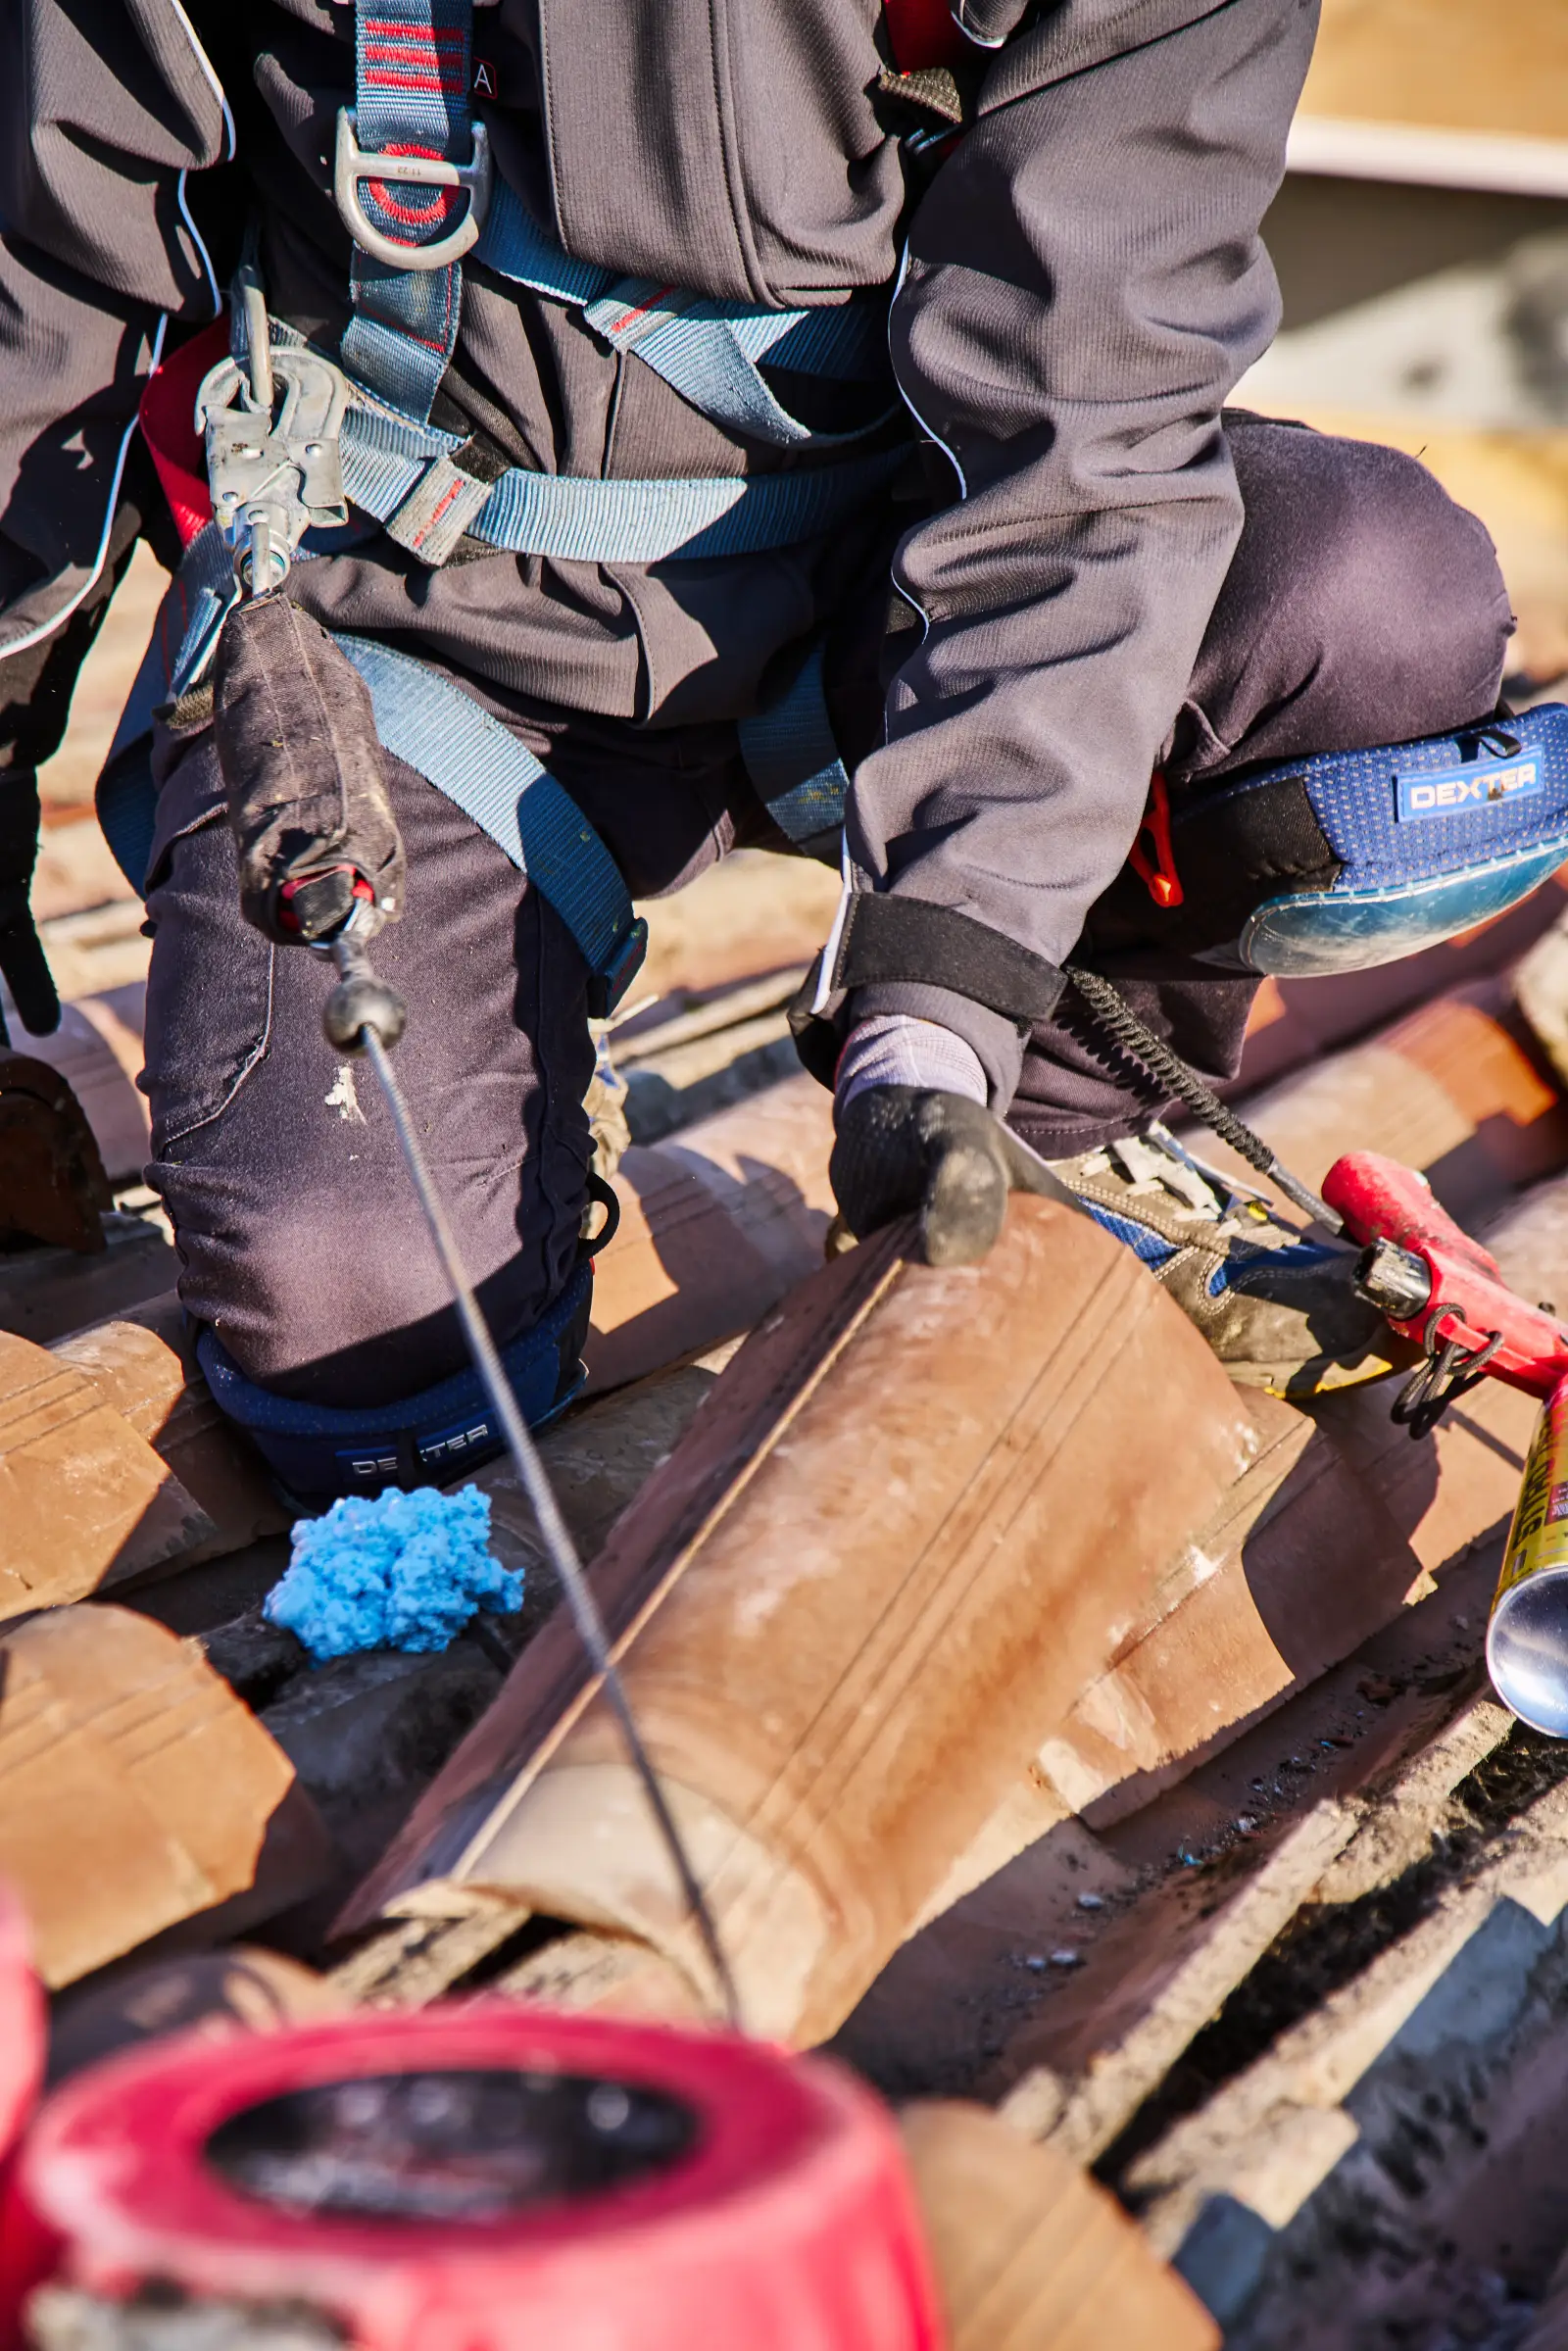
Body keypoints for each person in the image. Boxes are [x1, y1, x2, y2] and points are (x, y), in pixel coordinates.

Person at [0, 0, 1523, 1499]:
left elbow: (1091, 457)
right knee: (363, 1347)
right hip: (415, 635)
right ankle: (500, 1094)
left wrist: (945, 1004)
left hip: (908, 612)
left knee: (1363, 601)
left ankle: (1048, 1121)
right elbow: (52, 271)